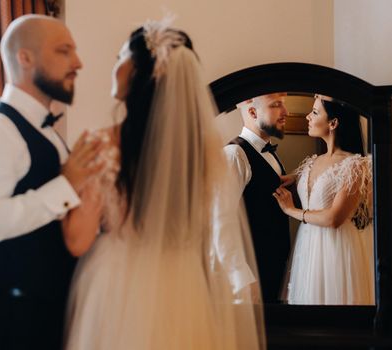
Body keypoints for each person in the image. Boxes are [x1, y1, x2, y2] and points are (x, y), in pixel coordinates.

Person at [63, 18, 265, 350]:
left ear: (139, 71)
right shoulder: (204, 155)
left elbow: (76, 240)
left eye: (119, 58)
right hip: (185, 285)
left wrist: (68, 180)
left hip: (120, 285)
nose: (113, 67)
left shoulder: (103, 145)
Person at [0, 14, 104, 349]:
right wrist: (66, 186)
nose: (78, 62)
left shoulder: (47, 133)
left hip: (48, 316)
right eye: (65, 51)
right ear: (25, 58)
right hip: (10, 325)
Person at [273, 94, 374, 305]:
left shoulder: (354, 165)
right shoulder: (311, 162)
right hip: (307, 247)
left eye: (315, 112)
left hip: (335, 248)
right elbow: (296, 181)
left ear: (334, 123)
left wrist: (291, 211)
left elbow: (334, 218)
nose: (308, 116)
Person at [224, 93, 291, 303]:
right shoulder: (235, 154)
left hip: (273, 272)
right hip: (250, 278)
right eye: (276, 105)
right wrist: (242, 279)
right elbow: (220, 223)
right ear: (253, 112)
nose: (286, 112)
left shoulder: (269, 153)